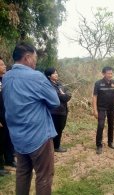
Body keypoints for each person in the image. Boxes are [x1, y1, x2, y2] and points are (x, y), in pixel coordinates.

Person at [2, 42, 60, 194]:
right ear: (27, 58)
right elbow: (55, 101)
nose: (36, 62)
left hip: (18, 137)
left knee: (22, 174)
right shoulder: (36, 77)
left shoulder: (6, 78)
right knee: (43, 176)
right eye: (34, 58)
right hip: (38, 136)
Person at [93, 66, 114, 155]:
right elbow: (94, 97)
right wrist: (95, 110)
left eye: (111, 73)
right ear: (103, 74)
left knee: (111, 124)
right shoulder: (98, 83)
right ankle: (99, 145)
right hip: (101, 108)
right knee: (101, 125)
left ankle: (110, 142)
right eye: (108, 73)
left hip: (111, 108)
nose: (110, 75)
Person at [45, 67, 71, 153]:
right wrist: (64, 95)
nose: (56, 74)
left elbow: (68, 92)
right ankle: (55, 146)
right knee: (56, 129)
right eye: (54, 73)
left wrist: (65, 95)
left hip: (63, 110)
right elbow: (60, 97)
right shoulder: (48, 85)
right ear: (49, 76)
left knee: (60, 128)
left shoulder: (59, 83)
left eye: (56, 73)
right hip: (55, 111)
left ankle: (55, 145)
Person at [0, 57, 11, 176]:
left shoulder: (4, 80)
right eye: (2, 65)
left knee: (8, 139)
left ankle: (9, 160)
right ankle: (0, 167)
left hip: (7, 115)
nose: (4, 66)